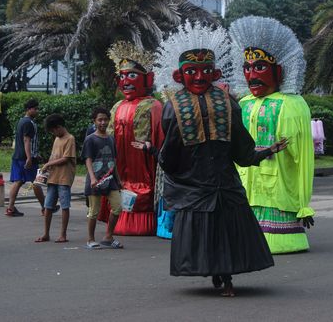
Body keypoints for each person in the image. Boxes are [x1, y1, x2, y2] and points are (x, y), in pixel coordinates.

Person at [155, 21, 286, 296]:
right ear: (180, 76)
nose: (200, 77)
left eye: (205, 71)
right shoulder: (172, 107)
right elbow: (170, 149)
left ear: (215, 73)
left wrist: (263, 153)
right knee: (203, 229)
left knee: (227, 229)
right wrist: (167, 165)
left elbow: (241, 145)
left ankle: (226, 277)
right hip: (194, 181)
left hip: (224, 179)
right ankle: (214, 270)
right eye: (192, 71)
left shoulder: (228, 103)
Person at [229, 16, 315, 254]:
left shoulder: (292, 104)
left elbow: (303, 157)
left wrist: (303, 203)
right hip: (246, 181)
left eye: (259, 67)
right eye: (247, 68)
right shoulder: (243, 103)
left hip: (278, 182)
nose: (251, 74)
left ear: (278, 71)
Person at [104, 41, 165, 236]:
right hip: (121, 163)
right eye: (122, 77)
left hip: (144, 164)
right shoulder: (117, 106)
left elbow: (160, 138)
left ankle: (146, 218)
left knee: (142, 184)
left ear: (147, 79)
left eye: (132, 76)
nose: (126, 81)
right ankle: (117, 216)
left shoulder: (153, 105)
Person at [82, 107, 123, 249]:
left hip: (111, 180)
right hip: (96, 181)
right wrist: (93, 178)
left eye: (105, 119)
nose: (103, 122)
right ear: (94, 121)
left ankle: (108, 237)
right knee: (94, 211)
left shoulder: (111, 139)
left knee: (118, 207)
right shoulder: (90, 139)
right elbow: (87, 159)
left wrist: (118, 179)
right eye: (100, 119)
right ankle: (90, 239)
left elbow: (114, 160)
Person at [35, 114, 76, 243]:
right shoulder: (57, 139)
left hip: (64, 178)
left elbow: (66, 158)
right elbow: (54, 157)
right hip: (53, 177)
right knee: (48, 206)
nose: (53, 133)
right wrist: (45, 170)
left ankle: (63, 234)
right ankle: (46, 234)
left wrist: (48, 164)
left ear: (58, 127)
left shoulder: (70, 139)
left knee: (64, 206)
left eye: (53, 130)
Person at [6, 99, 46, 217]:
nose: (37, 111)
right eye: (35, 109)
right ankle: (45, 208)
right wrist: (29, 157)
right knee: (37, 182)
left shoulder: (21, 121)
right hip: (27, 158)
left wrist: (35, 153)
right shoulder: (29, 123)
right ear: (29, 109)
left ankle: (10, 208)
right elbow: (26, 140)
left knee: (18, 181)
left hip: (18, 156)